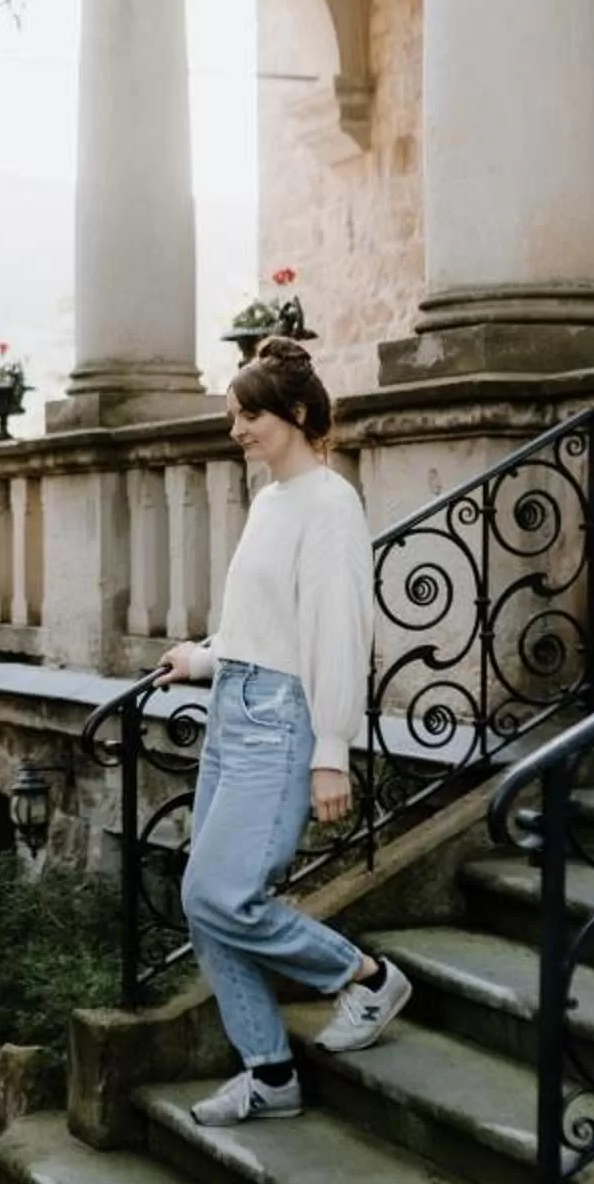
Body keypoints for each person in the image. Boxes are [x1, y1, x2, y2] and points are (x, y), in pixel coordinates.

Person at [155, 336, 413, 1127]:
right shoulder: (270, 501)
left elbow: (336, 631)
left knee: (223, 894)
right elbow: (261, 621)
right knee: (204, 901)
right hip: (235, 707)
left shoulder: (331, 505)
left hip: (281, 719)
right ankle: (269, 1073)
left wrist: (331, 750)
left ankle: (366, 978)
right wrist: (204, 660)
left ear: (296, 414)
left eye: (250, 416)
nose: (237, 430)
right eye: (233, 416)